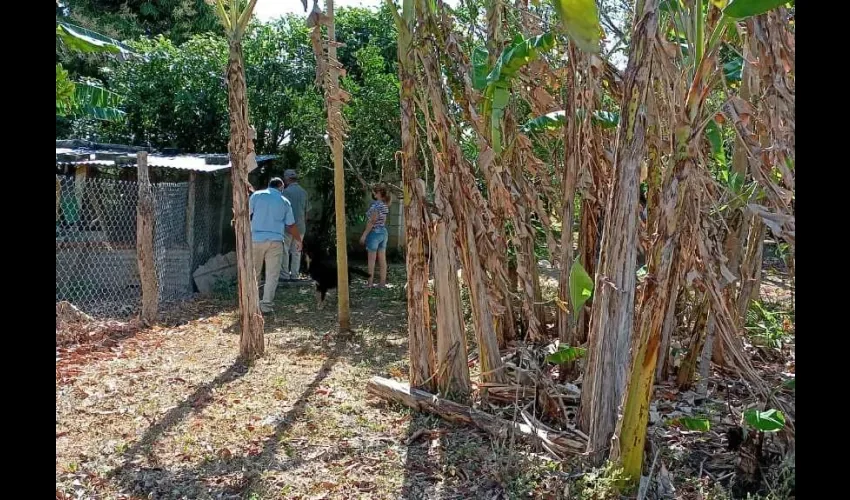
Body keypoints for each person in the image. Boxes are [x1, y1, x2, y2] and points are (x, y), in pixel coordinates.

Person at [250, 177, 302, 314]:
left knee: (254, 273)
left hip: (255, 239)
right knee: (272, 275)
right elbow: (290, 225)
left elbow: (246, 214)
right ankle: (266, 306)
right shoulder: (284, 201)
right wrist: (298, 240)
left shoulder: (256, 196)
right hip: (275, 241)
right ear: (281, 187)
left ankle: (251, 304)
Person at [359, 184, 391, 288]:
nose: (373, 193)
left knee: (371, 260)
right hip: (383, 232)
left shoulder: (375, 205)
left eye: (374, 192)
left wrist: (364, 235)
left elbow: (372, 220)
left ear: (378, 193)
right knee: (382, 259)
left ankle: (370, 283)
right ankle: (382, 283)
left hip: (374, 233)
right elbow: (383, 220)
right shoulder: (385, 205)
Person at [280, 169, 309, 281]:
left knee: (285, 251)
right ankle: (295, 275)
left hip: (287, 227)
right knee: (296, 252)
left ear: (287, 179)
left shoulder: (285, 193)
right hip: (300, 227)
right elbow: (307, 212)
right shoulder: (304, 192)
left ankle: (284, 275)